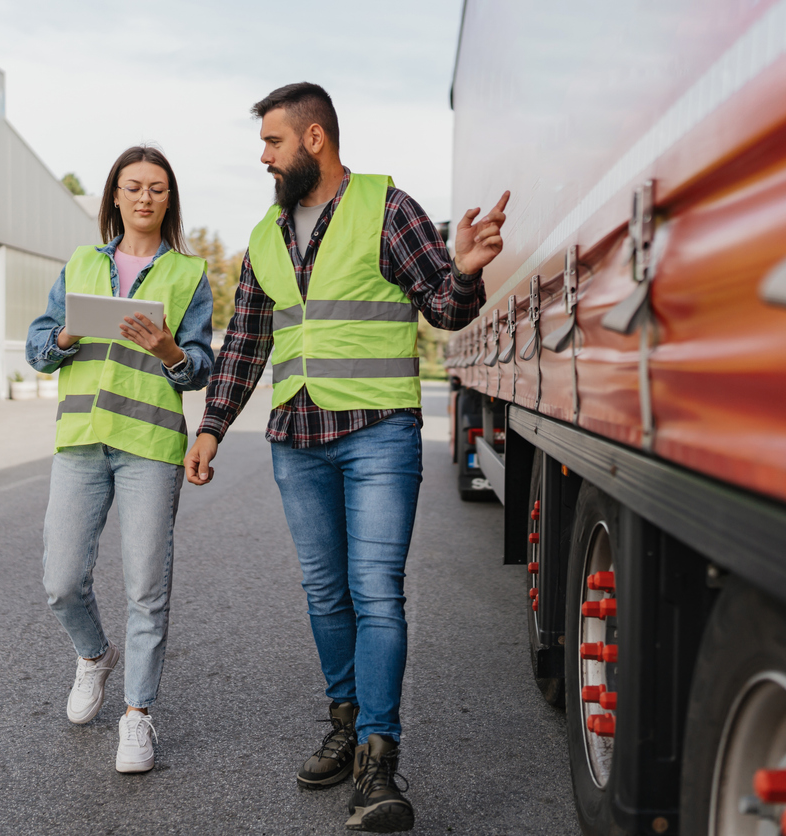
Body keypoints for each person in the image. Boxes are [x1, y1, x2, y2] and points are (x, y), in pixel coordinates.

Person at [184, 83, 508, 833]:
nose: (263, 156)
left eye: (273, 141)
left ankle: (377, 758)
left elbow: (444, 306)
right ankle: (344, 718)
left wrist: (464, 267)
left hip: (377, 434)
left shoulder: (387, 208)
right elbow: (245, 344)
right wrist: (211, 428)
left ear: (315, 139)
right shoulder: (265, 235)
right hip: (296, 440)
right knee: (326, 591)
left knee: (376, 590)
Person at [26, 145, 214, 773]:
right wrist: (67, 335)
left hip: (149, 449)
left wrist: (170, 351)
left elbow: (198, 369)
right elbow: (38, 347)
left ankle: (137, 715)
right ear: (113, 195)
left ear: (169, 199)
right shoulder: (82, 262)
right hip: (81, 441)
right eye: (133, 186)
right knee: (60, 580)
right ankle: (93, 654)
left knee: (145, 588)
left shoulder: (189, 275)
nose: (144, 197)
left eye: (157, 188)